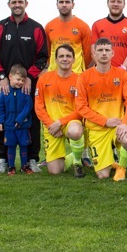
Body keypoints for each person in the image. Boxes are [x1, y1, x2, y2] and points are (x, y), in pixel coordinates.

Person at [0, 0, 48, 174]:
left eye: (20, 1)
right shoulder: (0, 27)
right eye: (13, 2)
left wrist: (30, 77)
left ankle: (31, 159)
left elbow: (43, 57)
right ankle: (4, 159)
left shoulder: (36, 28)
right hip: (4, 85)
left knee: (32, 120)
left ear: (26, 4)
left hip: (29, 85)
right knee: (2, 119)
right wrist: (3, 77)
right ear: (9, 5)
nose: (17, 5)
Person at [75, 38, 127, 181]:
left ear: (112, 54)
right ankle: (108, 162)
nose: (104, 53)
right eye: (100, 50)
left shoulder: (122, 75)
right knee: (103, 175)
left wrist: (126, 123)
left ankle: (121, 168)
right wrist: (105, 121)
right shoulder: (84, 77)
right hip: (97, 128)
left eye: (107, 50)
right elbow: (81, 107)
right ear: (94, 54)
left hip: (118, 126)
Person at [90, 0, 127, 167]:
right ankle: (108, 152)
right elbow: (93, 49)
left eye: (119, 1)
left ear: (124, 3)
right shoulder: (97, 24)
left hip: (125, 76)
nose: (116, 3)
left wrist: (122, 69)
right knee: (105, 112)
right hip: (103, 76)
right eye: (113, 0)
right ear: (108, 2)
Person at [34, 44, 86, 178]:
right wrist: (50, 124)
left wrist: (60, 122)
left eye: (68, 56)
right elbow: (39, 106)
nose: (65, 59)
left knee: (75, 131)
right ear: (55, 60)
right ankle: (71, 156)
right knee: (55, 171)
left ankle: (77, 161)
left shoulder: (80, 80)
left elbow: (81, 109)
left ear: (74, 60)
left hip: (70, 123)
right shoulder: (44, 78)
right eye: (61, 56)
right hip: (51, 126)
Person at [0, 64, 33, 175]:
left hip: (23, 126)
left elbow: (28, 107)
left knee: (24, 146)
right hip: (9, 126)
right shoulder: (4, 92)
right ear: (10, 77)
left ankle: (24, 166)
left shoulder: (25, 92)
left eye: (22, 80)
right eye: (18, 79)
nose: (20, 82)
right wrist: (0, 122)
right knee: (10, 146)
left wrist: (20, 119)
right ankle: (11, 167)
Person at [45, 0, 92, 73]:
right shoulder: (49, 26)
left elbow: (88, 54)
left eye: (67, 2)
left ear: (73, 5)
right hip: (54, 74)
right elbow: (47, 52)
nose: (64, 4)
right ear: (57, 5)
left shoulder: (83, 26)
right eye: (61, 2)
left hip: (76, 75)